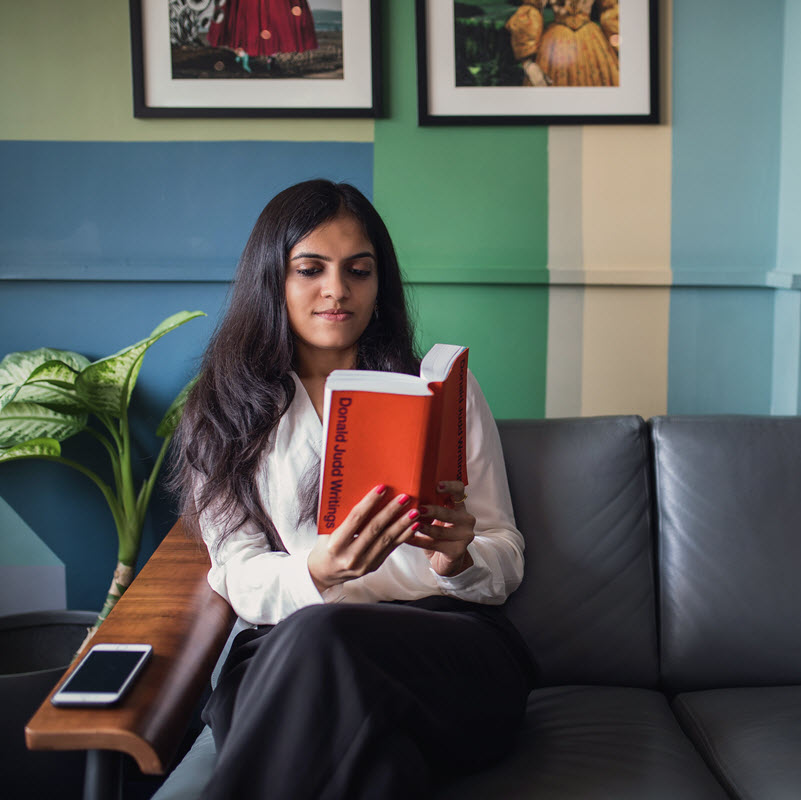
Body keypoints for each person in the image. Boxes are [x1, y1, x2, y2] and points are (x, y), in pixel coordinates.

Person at [171, 179, 536, 799]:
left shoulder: (439, 390)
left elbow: (506, 548)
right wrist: (316, 571)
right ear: (272, 280)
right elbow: (236, 570)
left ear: (378, 285)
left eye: (358, 271)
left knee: (322, 643)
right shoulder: (224, 412)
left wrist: (461, 557)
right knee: (380, 765)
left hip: (445, 647)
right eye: (310, 269)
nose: (336, 290)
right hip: (296, 647)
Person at [506, 0, 619, 87]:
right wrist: (528, 65)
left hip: (584, 42)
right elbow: (532, 9)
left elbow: (610, 11)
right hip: (564, 43)